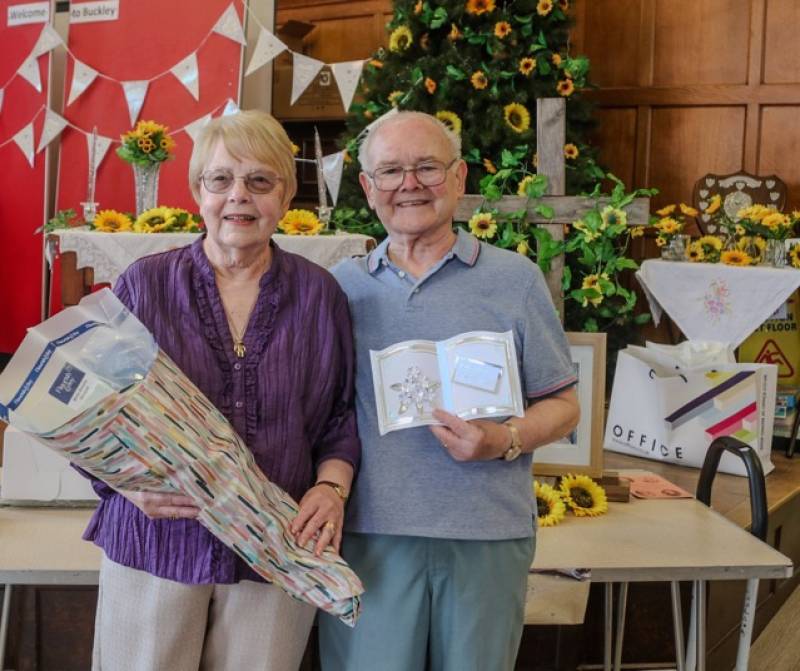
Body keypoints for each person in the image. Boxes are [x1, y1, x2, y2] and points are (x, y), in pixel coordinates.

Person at [82, 109, 360, 671]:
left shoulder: (319, 295)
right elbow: (91, 411)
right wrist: (123, 487)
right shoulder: (145, 284)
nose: (240, 197)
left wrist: (331, 488)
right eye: (221, 180)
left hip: (277, 543)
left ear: (285, 199)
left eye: (261, 181)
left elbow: (340, 415)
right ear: (197, 193)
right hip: (157, 537)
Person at [318, 111, 580, 671]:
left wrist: (504, 438)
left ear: (459, 178)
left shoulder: (515, 281)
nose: (409, 184)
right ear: (367, 189)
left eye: (427, 167)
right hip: (368, 534)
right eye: (389, 171)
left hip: (485, 533)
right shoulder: (341, 288)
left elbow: (563, 405)